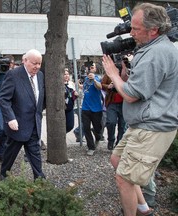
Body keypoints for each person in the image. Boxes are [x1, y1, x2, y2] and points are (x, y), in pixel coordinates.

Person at [102, 3, 178, 216]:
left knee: (124, 179)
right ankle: (144, 209)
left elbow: (130, 95)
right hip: (142, 124)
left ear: (153, 30)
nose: (131, 33)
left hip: (153, 127)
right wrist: (125, 75)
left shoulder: (156, 54)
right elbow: (140, 86)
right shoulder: (151, 49)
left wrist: (113, 74)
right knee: (117, 160)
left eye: (135, 29)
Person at [0, 49, 46, 180]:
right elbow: (4, 99)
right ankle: (3, 176)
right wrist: (10, 118)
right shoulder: (13, 75)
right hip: (17, 125)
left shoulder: (40, 75)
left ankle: (40, 179)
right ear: (25, 61)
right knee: (10, 154)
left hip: (34, 123)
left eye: (39, 63)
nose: (37, 66)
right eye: (34, 63)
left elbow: (39, 97)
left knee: (35, 152)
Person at [81, 63, 103, 156]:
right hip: (85, 107)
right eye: (88, 67)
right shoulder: (85, 79)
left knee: (97, 128)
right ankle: (91, 147)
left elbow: (100, 87)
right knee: (86, 128)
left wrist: (94, 79)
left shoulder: (98, 78)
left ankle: (98, 136)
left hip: (96, 109)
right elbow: (85, 90)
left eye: (92, 67)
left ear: (95, 69)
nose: (90, 69)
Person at [101, 73, 126, 150]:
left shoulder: (126, 73)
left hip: (124, 104)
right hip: (112, 102)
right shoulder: (109, 73)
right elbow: (102, 85)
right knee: (111, 122)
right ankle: (111, 140)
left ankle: (119, 143)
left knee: (122, 125)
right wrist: (109, 86)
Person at [64, 68, 78, 133]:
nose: (66, 76)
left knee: (70, 126)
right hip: (63, 108)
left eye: (67, 74)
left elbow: (72, 96)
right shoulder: (59, 85)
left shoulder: (71, 84)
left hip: (70, 108)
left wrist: (75, 95)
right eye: (64, 74)